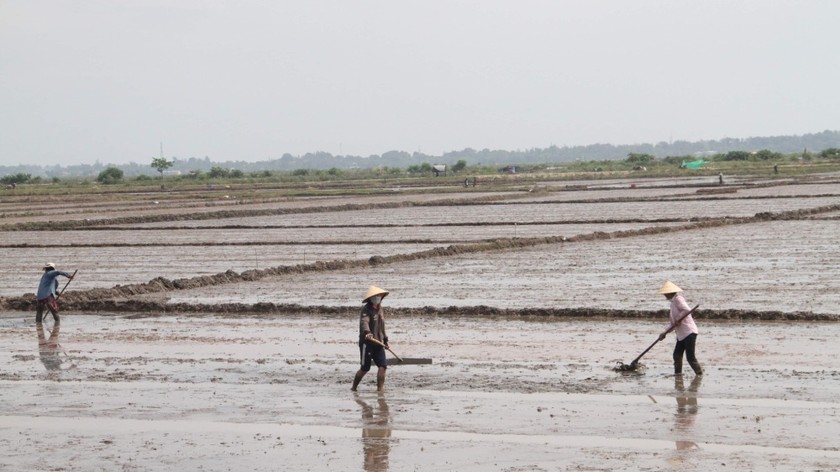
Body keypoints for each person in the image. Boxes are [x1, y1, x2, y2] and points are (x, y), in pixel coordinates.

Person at [657, 281, 703, 376]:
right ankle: (678, 374)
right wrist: (664, 333)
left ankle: (699, 374)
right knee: (677, 355)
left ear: (670, 292)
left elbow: (686, 310)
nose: (664, 295)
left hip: (689, 332)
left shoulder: (678, 299)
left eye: (665, 293)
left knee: (690, 357)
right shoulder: (673, 303)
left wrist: (678, 319)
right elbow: (673, 323)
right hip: (681, 334)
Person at [352, 286, 390, 392]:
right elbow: (364, 322)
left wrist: (385, 339)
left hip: (379, 342)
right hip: (367, 343)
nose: (377, 298)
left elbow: (382, 326)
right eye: (375, 296)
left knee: (383, 366)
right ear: (370, 298)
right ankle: (354, 387)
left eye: (378, 296)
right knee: (365, 368)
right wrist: (367, 333)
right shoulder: (366, 309)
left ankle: (380, 389)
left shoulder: (380, 309)